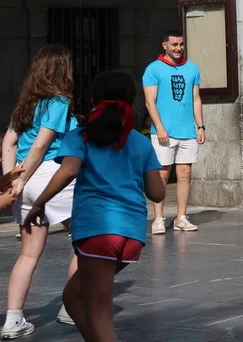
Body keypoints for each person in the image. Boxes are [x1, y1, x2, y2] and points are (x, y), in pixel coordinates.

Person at [23, 71, 165, 342]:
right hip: (132, 236)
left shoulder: (81, 136)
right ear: (132, 101)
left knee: (99, 312)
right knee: (72, 297)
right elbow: (157, 193)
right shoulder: (140, 141)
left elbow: (68, 170)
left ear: (92, 100)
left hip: (97, 231)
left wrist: (38, 203)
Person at [2, 45, 79, 338]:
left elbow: (9, 142)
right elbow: (42, 144)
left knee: (28, 254)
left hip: (25, 180)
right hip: (50, 175)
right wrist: (23, 179)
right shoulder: (59, 100)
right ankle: (70, 308)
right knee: (87, 242)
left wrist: (12, 179)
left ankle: (13, 320)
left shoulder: (26, 103)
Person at [142, 29, 204, 234]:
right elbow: (149, 101)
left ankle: (181, 217)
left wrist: (200, 126)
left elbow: (196, 99)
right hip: (163, 132)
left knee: (185, 173)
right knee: (162, 175)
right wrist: (159, 127)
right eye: (174, 44)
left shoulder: (192, 68)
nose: (178, 48)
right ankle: (158, 218)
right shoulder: (153, 69)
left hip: (187, 131)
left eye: (181, 44)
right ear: (165, 45)